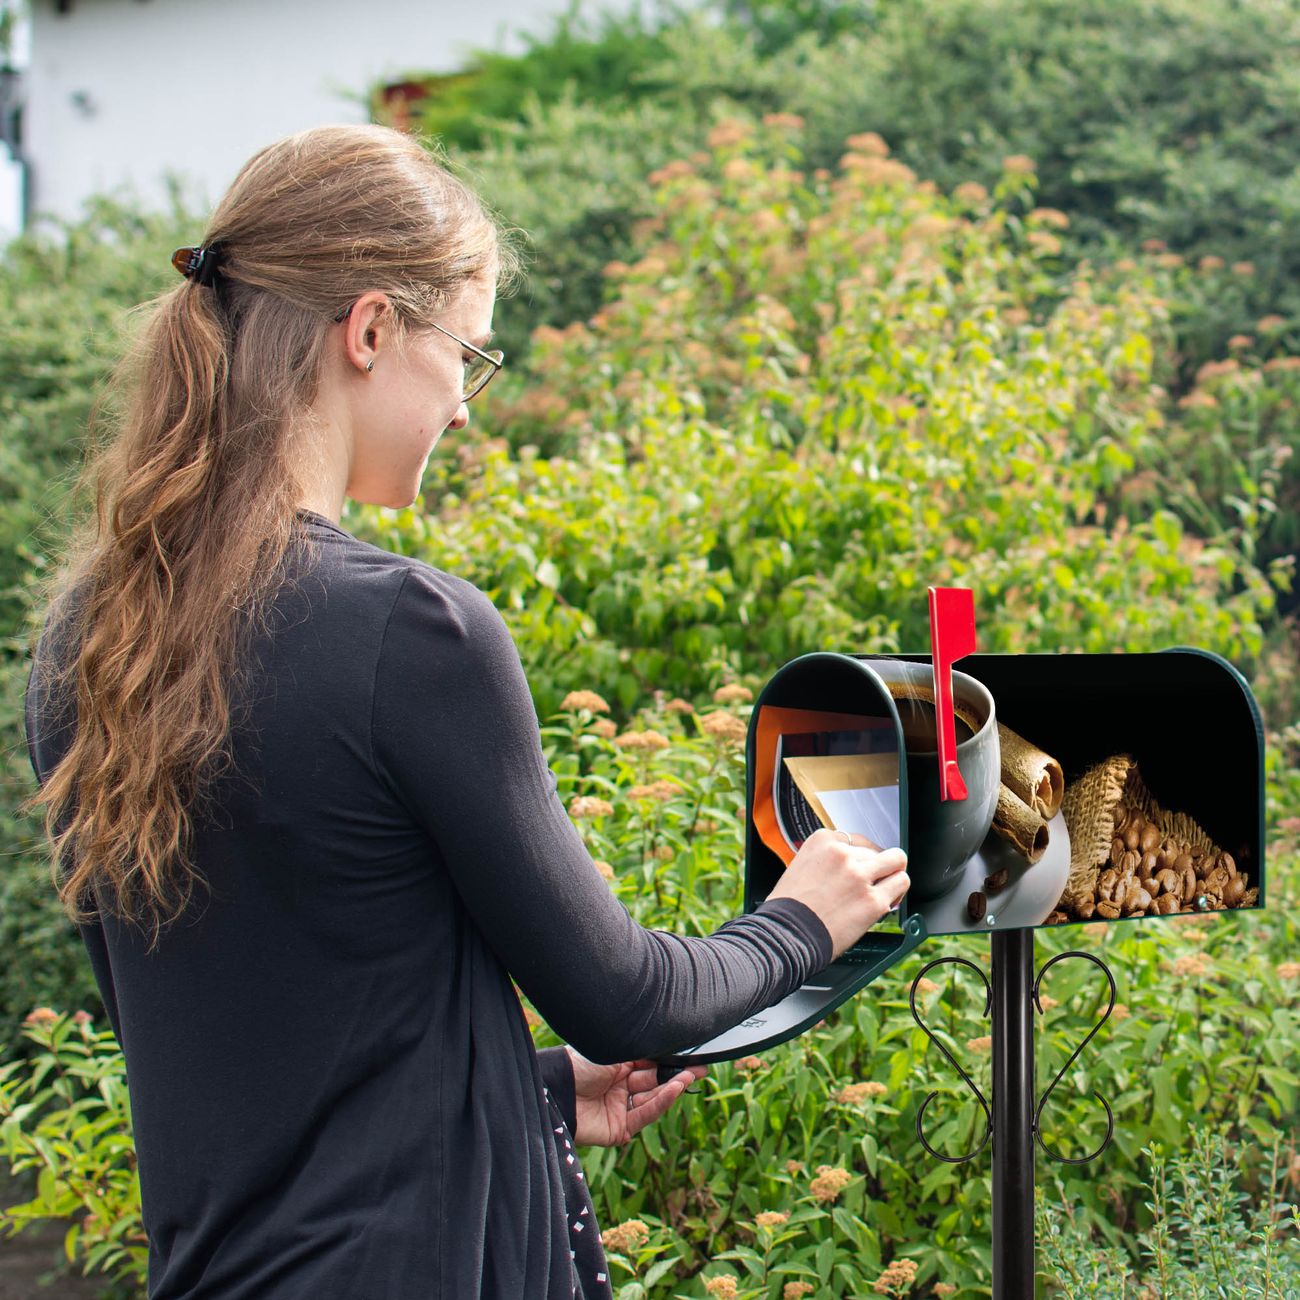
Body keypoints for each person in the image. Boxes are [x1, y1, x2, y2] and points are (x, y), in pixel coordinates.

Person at [21, 124, 910, 1299]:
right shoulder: (406, 631)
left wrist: (529, 1088)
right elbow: (629, 995)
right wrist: (802, 918)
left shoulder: (87, 640)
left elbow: (236, 1046)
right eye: (467, 355)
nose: (465, 409)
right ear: (370, 329)